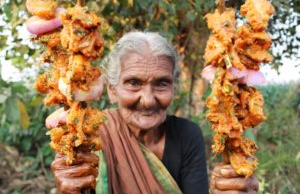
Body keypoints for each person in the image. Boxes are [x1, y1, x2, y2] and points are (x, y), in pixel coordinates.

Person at [49, 31, 259, 194]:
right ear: (112, 90)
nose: (148, 100)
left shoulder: (187, 134)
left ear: (174, 89)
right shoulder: (88, 135)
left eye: (161, 84)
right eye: (133, 83)